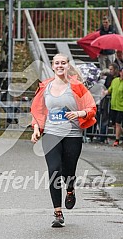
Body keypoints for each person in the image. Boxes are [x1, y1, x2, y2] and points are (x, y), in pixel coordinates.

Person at [31, 54, 97, 228]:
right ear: (53, 66)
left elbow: (91, 108)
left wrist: (79, 113)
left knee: (68, 172)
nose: (60, 66)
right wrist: (36, 128)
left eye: (63, 63)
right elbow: (38, 110)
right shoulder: (45, 86)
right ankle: (58, 213)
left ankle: (70, 189)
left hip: (73, 135)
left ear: (68, 66)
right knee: (54, 170)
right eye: (57, 63)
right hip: (51, 134)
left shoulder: (77, 87)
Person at [99, 63, 120, 143]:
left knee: (115, 122)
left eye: (111, 69)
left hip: (117, 102)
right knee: (104, 119)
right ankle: (103, 137)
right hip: (108, 101)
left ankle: (117, 137)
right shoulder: (109, 78)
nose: (110, 71)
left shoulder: (118, 78)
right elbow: (106, 87)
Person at [103, 67, 123, 147]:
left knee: (118, 123)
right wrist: (105, 92)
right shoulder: (115, 81)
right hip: (113, 105)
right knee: (114, 124)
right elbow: (110, 89)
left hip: (121, 107)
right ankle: (119, 136)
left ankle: (117, 140)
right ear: (120, 72)